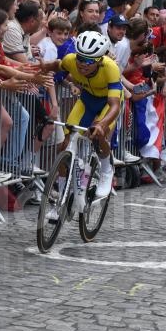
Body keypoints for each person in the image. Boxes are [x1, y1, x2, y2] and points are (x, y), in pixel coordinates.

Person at [40, 30, 123, 204]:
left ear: (99, 61)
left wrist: (102, 124)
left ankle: (107, 169)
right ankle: (63, 195)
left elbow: (115, 105)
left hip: (108, 102)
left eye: (89, 61)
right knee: (65, 144)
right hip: (87, 100)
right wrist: (43, 66)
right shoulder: (71, 60)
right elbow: (57, 65)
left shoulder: (110, 68)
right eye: (80, 58)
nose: (82, 64)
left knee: (99, 133)